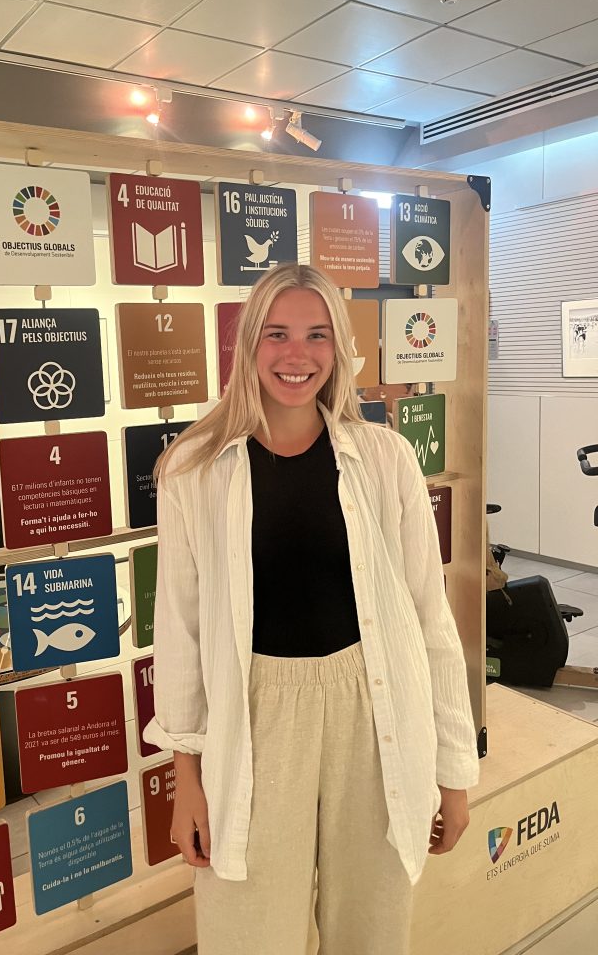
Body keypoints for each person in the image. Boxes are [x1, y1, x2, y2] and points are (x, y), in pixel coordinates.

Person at [143, 264, 479, 955]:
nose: (297, 355)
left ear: (340, 349)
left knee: (372, 929)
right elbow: (179, 632)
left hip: (373, 705)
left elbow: (428, 619)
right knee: (247, 929)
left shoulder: (386, 458)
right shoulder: (192, 469)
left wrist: (453, 775)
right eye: (278, 334)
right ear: (249, 347)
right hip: (255, 716)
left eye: (317, 334)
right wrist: (186, 785)